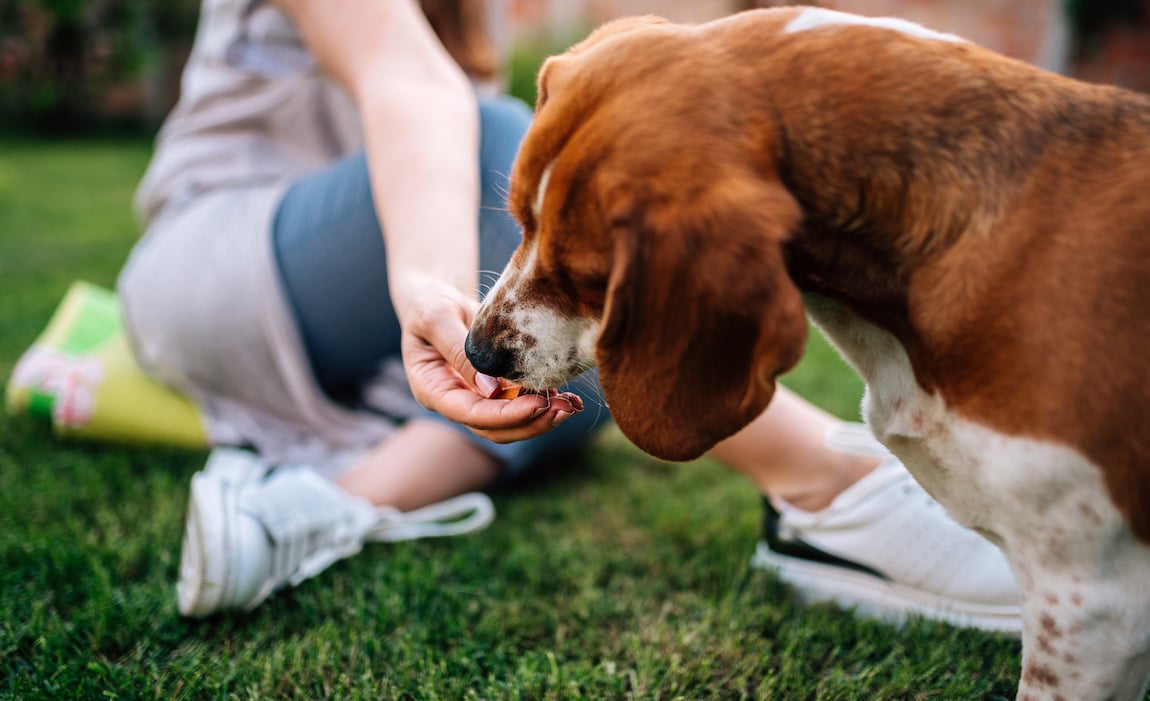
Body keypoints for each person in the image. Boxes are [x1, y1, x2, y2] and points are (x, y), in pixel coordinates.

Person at [116, 0, 1020, 632]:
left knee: (562, 383)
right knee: (513, 133)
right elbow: (412, 86)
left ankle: (308, 510)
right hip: (218, 259)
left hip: (352, 292)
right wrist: (430, 287)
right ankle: (824, 484)